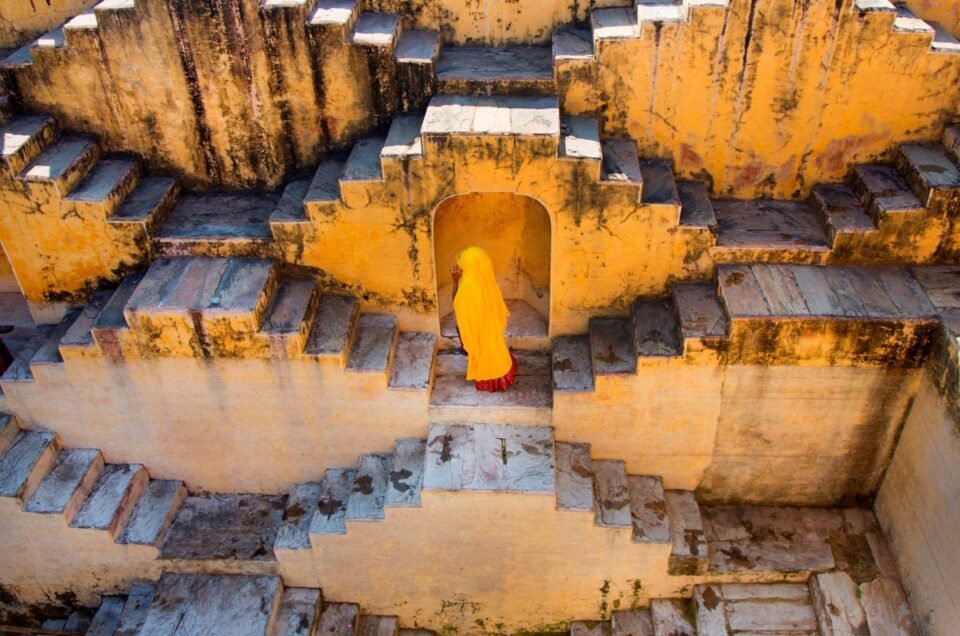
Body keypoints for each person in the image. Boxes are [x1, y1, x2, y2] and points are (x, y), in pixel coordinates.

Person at [450, 247, 518, 392]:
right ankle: (503, 370)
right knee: (494, 348)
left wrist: (454, 281)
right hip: (491, 329)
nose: (459, 264)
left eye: (461, 262)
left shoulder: (467, 286)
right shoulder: (485, 280)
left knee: (485, 356)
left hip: (479, 333)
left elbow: (456, 305)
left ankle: (491, 377)